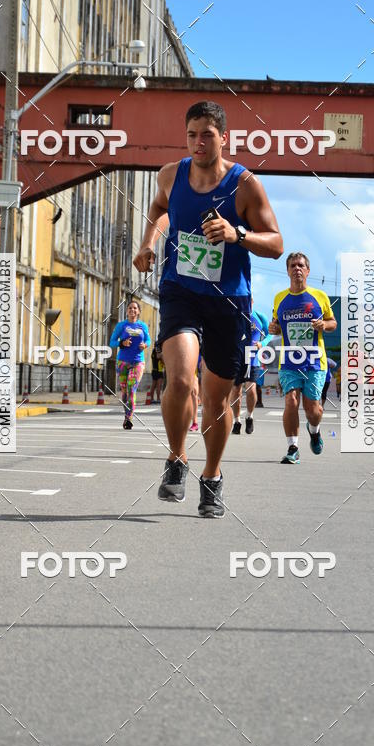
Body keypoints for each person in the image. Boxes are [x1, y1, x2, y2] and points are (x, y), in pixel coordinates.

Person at [133, 100, 283, 517]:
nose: (198, 142)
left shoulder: (245, 185)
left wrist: (237, 234)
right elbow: (160, 208)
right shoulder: (170, 175)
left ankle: (212, 475)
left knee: (216, 402)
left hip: (228, 301)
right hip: (180, 290)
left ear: (224, 138)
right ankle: (176, 458)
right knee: (181, 380)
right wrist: (148, 243)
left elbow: (276, 243)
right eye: (192, 134)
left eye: (207, 135)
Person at [268, 252, 337, 464]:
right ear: (287, 271)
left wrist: (323, 325)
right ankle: (293, 448)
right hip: (289, 361)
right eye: (293, 266)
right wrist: (274, 328)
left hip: (315, 362)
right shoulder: (280, 298)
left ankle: (314, 431)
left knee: (312, 410)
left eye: (300, 265)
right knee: (291, 401)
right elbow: (276, 325)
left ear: (307, 271)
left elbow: (333, 323)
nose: (297, 269)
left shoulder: (320, 296)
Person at [109, 300, 151, 429]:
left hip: (138, 362)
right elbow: (112, 342)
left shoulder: (142, 326)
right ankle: (126, 416)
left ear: (138, 311)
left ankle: (129, 418)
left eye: (135, 308)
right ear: (127, 311)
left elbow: (148, 340)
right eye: (130, 308)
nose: (132, 310)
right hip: (122, 362)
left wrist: (145, 345)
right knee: (124, 392)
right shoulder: (121, 326)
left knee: (131, 389)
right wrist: (122, 343)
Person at [232, 304, 269, 435]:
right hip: (237, 357)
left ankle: (249, 416)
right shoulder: (234, 313)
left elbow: (270, 333)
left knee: (251, 388)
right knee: (235, 391)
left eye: (250, 299)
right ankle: (236, 421)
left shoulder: (259, 316)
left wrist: (262, 343)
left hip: (253, 358)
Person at [151, 339, 164, 403]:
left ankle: (151, 398)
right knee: (159, 385)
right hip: (159, 370)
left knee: (153, 385)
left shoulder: (153, 351)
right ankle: (158, 399)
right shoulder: (158, 350)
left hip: (154, 370)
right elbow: (159, 357)